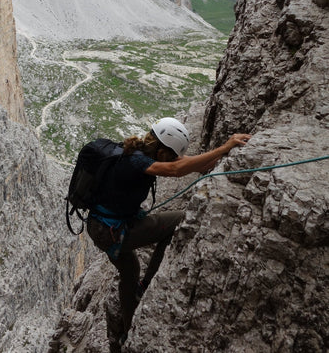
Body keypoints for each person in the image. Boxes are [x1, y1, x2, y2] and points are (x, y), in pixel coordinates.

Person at [86, 117, 251, 346]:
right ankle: (145, 287)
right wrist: (225, 147)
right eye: (172, 155)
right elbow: (175, 169)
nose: (175, 159)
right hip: (114, 230)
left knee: (130, 271)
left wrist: (214, 157)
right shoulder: (137, 162)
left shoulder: (135, 152)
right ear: (162, 151)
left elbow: (182, 163)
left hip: (100, 227)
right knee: (178, 221)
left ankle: (127, 329)